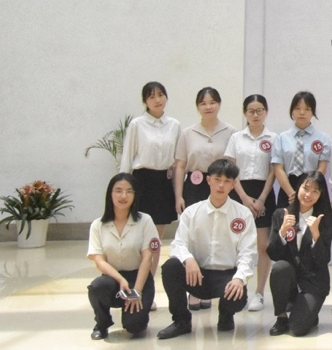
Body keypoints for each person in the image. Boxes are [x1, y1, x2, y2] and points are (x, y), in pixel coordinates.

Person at [156, 159, 256, 339]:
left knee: (237, 294)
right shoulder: (192, 212)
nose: (221, 185)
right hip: (197, 275)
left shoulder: (243, 214)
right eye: (217, 179)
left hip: (227, 276)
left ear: (233, 184)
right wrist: (188, 259)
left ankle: (226, 315)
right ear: (208, 180)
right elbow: (178, 244)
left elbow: (248, 253)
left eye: (227, 181)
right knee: (171, 267)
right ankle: (181, 321)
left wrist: (239, 278)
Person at [87, 173, 159, 340]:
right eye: (118, 191)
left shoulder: (145, 221)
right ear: (110, 194)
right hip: (112, 279)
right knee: (97, 287)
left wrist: (137, 291)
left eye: (129, 191)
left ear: (135, 195)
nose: (123, 196)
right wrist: (120, 279)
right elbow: (99, 261)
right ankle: (102, 324)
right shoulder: (98, 225)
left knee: (135, 327)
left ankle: (138, 316)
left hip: (139, 278)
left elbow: (147, 259)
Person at [119, 81, 179, 280]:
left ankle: (149, 283)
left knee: (156, 239)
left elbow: (177, 160)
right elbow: (127, 157)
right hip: (142, 182)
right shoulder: (137, 124)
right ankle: (133, 278)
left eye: (160, 95)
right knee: (138, 235)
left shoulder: (174, 125)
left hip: (163, 183)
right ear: (145, 101)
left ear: (166, 97)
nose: (157, 100)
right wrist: (123, 188)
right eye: (151, 96)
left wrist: (177, 190)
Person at [222, 94, 277, 312]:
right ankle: (237, 289)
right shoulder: (236, 138)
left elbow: (273, 171)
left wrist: (261, 198)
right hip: (239, 193)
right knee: (237, 244)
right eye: (251, 111)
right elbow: (231, 171)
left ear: (266, 112)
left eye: (259, 110)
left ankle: (259, 293)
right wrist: (244, 198)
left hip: (264, 193)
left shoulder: (274, 138)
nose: (255, 115)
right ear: (245, 113)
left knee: (263, 246)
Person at [266, 171, 332, 337]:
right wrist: (282, 232)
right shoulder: (281, 214)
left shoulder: (324, 219)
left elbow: (323, 260)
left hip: (313, 280)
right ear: (298, 188)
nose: (308, 195)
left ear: (321, 195)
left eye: (315, 191)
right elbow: (273, 254)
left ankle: (309, 313)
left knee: (297, 329)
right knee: (280, 268)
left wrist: (316, 235)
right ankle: (281, 317)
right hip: (290, 276)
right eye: (306, 188)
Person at [174, 87, 236, 214]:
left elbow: (235, 165)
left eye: (212, 102)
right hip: (195, 186)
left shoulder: (231, 132)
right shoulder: (187, 133)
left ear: (219, 104)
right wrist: (178, 196)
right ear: (197, 107)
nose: (208, 107)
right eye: (203, 104)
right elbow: (180, 166)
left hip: (222, 185)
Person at [272, 91, 332, 206]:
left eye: (307, 109)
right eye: (297, 108)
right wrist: (292, 194)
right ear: (292, 111)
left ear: (313, 112)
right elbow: (278, 169)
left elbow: (322, 168)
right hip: (288, 189)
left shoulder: (323, 138)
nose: (302, 113)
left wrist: (308, 191)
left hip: (312, 188)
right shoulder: (281, 138)